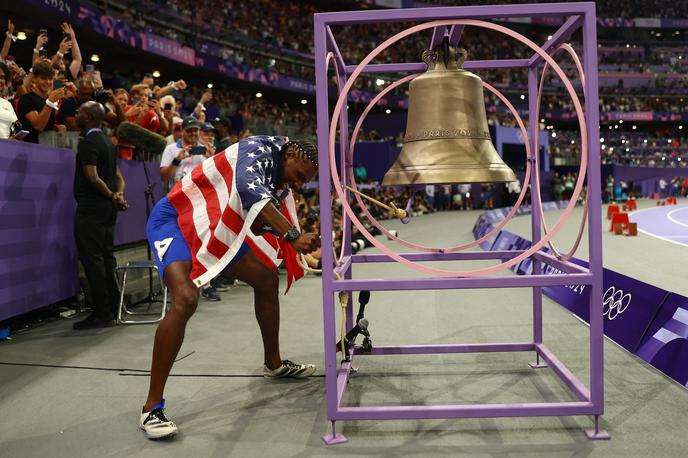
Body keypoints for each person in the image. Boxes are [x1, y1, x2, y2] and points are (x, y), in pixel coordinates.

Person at [140, 136, 320, 439]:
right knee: (185, 298)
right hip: (176, 219)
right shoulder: (258, 149)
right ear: (290, 154)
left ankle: (273, 364)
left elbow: (259, 220)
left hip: (213, 226)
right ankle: (151, 407)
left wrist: (295, 235)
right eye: (300, 176)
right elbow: (248, 190)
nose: (298, 185)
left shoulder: (278, 177)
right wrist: (291, 235)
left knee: (264, 278)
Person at [72, 101, 128, 329]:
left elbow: (93, 177)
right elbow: (119, 178)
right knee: (106, 258)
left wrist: (111, 196)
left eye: (80, 111)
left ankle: (102, 313)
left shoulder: (88, 142)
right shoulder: (108, 141)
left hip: (92, 210)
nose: (76, 114)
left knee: (93, 261)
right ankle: (114, 307)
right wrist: (118, 195)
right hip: (107, 211)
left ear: (89, 117)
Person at [17, 60, 73, 143]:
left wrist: (55, 128)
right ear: (34, 79)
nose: (48, 82)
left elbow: (44, 126)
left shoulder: (48, 101)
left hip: (46, 148)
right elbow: (38, 126)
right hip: (28, 148)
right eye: (43, 78)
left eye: (50, 79)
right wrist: (50, 102)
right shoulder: (26, 99)